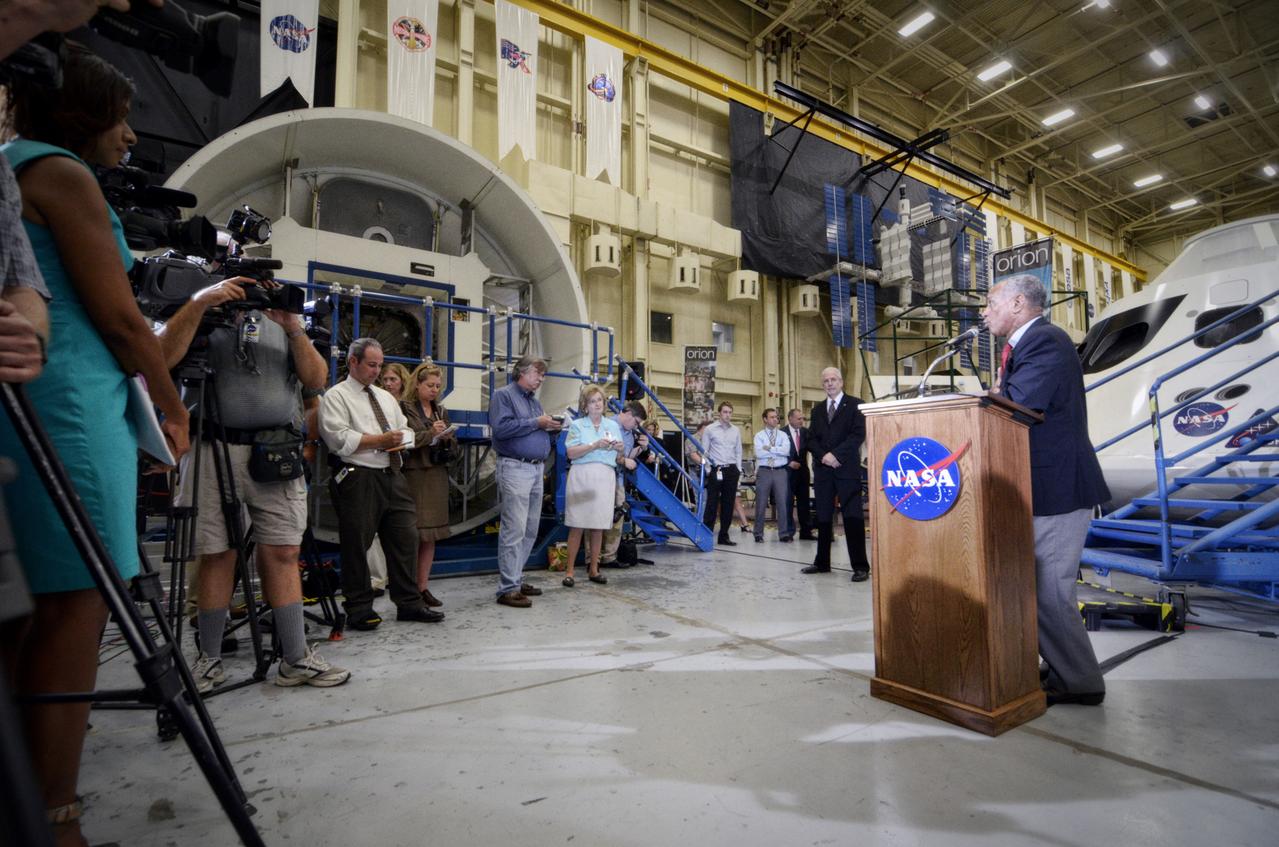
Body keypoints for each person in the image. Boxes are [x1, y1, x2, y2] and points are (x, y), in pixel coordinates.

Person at [0, 40, 192, 846]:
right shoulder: (61, 173)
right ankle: (56, 812)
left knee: (27, 608)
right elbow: (118, 318)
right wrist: (173, 406)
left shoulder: (12, 167)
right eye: (121, 117)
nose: (131, 135)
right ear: (84, 114)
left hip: (31, 401)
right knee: (79, 600)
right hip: (73, 406)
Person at [157, 273, 350, 691]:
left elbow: (316, 380)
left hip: (275, 450)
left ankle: (295, 658)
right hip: (211, 447)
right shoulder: (201, 314)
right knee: (217, 553)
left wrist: (292, 327)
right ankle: (208, 659)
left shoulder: (282, 324)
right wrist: (200, 302)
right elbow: (160, 358)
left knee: (284, 550)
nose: (253, 293)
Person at [984, 273, 1110, 707]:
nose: (985, 312)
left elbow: (1017, 405)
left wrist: (996, 393)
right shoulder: (1028, 345)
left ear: (1018, 303)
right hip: (1041, 486)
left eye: (991, 303)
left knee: (1051, 592)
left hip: (1059, 488)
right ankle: (1061, 666)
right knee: (1039, 588)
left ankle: (1080, 681)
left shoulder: (1045, 341)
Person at [318, 338, 441, 627]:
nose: (376, 371)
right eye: (371, 365)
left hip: (392, 474)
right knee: (356, 543)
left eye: (379, 365)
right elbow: (338, 439)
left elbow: (405, 430)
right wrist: (381, 441)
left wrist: (400, 440)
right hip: (358, 476)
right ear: (353, 362)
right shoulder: (336, 396)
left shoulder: (385, 398)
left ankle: (409, 603)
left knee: (405, 539)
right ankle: (359, 608)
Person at [489, 355, 561, 607]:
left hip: (535, 469)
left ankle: (516, 579)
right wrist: (536, 422)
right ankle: (508, 588)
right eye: (537, 374)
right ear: (521, 372)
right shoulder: (503, 396)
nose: (541, 379)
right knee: (514, 528)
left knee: (530, 528)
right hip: (515, 467)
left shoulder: (535, 402)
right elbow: (501, 429)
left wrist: (551, 429)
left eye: (543, 375)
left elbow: (533, 430)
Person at [803, 367, 870, 581]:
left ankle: (860, 566)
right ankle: (822, 562)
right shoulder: (817, 410)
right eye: (826, 381)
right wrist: (824, 456)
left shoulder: (856, 405)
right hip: (823, 471)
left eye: (833, 379)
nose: (830, 383)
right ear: (822, 385)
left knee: (852, 517)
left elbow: (857, 435)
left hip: (846, 470)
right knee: (823, 516)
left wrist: (836, 455)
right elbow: (811, 439)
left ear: (841, 382)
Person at [401, 362, 454, 608]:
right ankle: (408, 587)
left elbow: (453, 446)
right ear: (418, 384)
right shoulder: (405, 408)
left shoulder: (440, 410)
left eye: (438, 386)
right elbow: (406, 440)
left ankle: (423, 586)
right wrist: (431, 433)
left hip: (436, 474)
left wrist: (447, 438)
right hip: (415, 475)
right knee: (413, 534)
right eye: (430, 385)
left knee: (431, 535)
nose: (434, 390)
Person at [561, 385, 624, 587]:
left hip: (605, 477)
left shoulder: (613, 426)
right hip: (582, 476)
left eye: (600, 400)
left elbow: (619, 455)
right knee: (577, 525)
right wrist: (594, 445)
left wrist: (620, 449)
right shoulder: (577, 425)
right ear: (585, 406)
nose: (597, 404)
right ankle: (569, 572)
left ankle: (594, 569)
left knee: (598, 526)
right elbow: (571, 452)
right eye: (592, 401)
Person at [599, 400, 648, 568]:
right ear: (628, 414)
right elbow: (602, 453)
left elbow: (628, 457)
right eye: (636, 422)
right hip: (603, 477)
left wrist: (640, 448)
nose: (636, 426)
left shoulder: (629, 433)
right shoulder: (608, 425)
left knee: (617, 518)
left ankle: (609, 557)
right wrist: (623, 460)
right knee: (597, 518)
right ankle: (593, 559)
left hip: (618, 479)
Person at [701, 401, 743, 546]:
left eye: (730, 412)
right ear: (719, 413)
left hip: (731, 470)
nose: (727, 415)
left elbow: (738, 452)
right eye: (725, 412)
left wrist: (738, 470)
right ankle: (706, 535)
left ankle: (724, 536)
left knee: (728, 504)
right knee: (712, 503)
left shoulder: (736, 430)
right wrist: (709, 470)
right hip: (716, 469)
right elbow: (704, 451)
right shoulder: (710, 429)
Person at [752, 407, 792, 542]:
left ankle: (784, 534)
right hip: (764, 471)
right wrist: (777, 450)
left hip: (780, 471)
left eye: (776, 417)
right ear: (765, 419)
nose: (775, 419)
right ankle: (758, 533)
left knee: (782, 503)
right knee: (761, 503)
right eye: (772, 417)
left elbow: (786, 451)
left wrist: (769, 448)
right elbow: (759, 453)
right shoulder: (759, 436)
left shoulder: (783, 435)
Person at [782, 408, 815, 541]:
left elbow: (813, 448)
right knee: (788, 503)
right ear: (790, 418)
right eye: (799, 418)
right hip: (787, 473)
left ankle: (806, 532)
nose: (802, 421)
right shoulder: (781, 433)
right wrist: (788, 462)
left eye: (803, 418)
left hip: (802, 473)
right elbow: (776, 453)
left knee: (804, 503)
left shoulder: (806, 432)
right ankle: (788, 532)